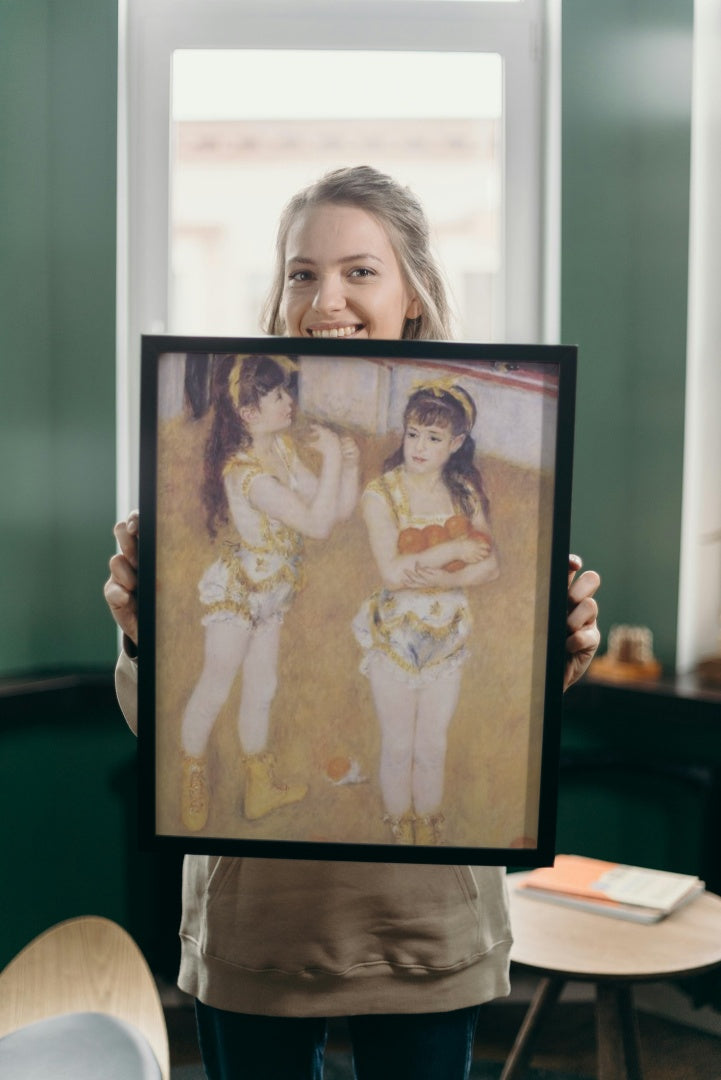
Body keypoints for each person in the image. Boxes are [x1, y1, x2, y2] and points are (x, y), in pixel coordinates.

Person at [105, 165, 601, 1080]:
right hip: (258, 923)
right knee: (234, 686)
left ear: (412, 291)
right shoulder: (228, 462)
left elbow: (503, 675)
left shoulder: (458, 464)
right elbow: (159, 716)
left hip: (424, 922)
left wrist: (554, 653)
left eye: (358, 271)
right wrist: (143, 636)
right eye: (301, 272)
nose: (324, 297)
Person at [178, 352, 359, 831]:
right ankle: (193, 771)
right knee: (217, 685)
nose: (288, 401)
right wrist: (336, 459)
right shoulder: (247, 475)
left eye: (286, 391)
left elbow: (337, 511)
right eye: (276, 394)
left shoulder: (280, 451)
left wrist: (348, 464)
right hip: (237, 594)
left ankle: (259, 787)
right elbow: (317, 524)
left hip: (272, 592)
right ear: (247, 412)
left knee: (263, 687)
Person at [353, 378, 498, 846]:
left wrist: (443, 577)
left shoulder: (465, 495)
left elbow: (491, 565)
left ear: (455, 444)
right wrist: (453, 550)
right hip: (394, 635)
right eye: (413, 433)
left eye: (433, 438)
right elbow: (394, 572)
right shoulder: (381, 494)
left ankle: (428, 838)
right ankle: (399, 835)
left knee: (432, 745)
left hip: (449, 632)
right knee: (398, 744)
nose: (418, 447)